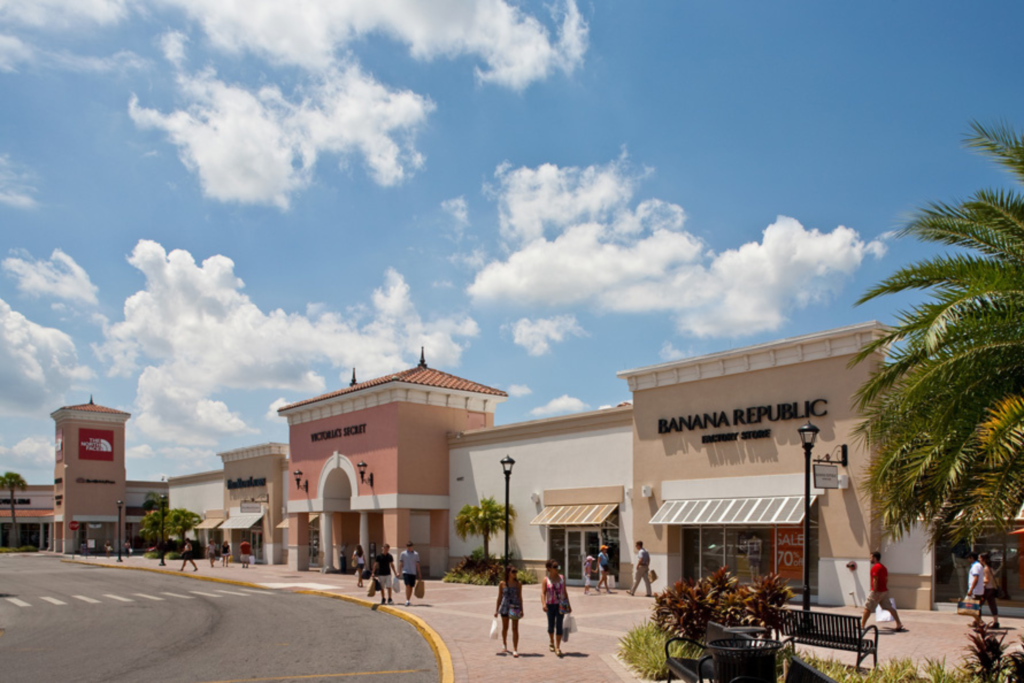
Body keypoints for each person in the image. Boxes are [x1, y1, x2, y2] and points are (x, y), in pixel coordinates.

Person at [861, 551, 905, 631]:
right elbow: (886, 579)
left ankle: (862, 625)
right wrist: (883, 588)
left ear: (875, 558)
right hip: (884, 591)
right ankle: (899, 623)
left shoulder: (875, 567)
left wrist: (875, 592)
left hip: (877, 591)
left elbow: (875, 580)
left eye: (871, 557)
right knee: (889, 607)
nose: (870, 559)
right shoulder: (884, 568)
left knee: (867, 607)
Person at [541, 558, 571, 657]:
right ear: (549, 568)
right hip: (550, 605)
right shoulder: (546, 580)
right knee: (551, 626)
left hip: (561, 605)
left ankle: (557, 647)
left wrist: (569, 605)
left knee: (559, 625)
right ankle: (551, 641)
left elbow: (565, 592)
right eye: (554, 567)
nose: (557, 568)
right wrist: (544, 604)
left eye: (557, 566)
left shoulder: (562, 578)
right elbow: (543, 593)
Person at [494, 566, 524, 657]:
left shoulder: (518, 584)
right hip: (505, 607)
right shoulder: (502, 584)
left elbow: (520, 597)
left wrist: (522, 609)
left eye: (516, 571)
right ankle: (504, 644)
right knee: (505, 627)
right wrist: (496, 610)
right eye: (513, 571)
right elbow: (499, 597)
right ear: (508, 573)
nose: (515, 573)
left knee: (515, 628)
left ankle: (515, 649)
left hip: (515, 607)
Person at [981, 552, 1001, 629]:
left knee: (978, 605)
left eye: (980, 558)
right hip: (992, 588)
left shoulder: (986, 568)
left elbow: (987, 580)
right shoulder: (991, 568)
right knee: (993, 605)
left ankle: (979, 622)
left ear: (984, 559)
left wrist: (980, 582)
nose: (979, 560)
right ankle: (996, 622)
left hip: (986, 589)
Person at [967, 551, 987, 627]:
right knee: (977, 607)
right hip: (978, 590)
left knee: (973, 608)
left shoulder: (976, 566)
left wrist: (971, 589)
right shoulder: (979, 566)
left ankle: (980, 622)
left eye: (969, 558)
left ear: (971, 558)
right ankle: (976, 622)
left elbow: (976, 578)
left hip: (976, 591)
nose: (968, 560)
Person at [399, 541, 421, 606]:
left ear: (412, 546)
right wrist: (399, 572)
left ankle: (408, 599)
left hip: (413, 572)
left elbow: (417, 564)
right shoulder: (403, 554)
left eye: (410, 546)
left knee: (411, 586)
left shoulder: (416, 554)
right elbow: (401, 563)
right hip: (406, 571)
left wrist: (419, 573)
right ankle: (407, 600)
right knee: (407, 585)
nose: (409, 547)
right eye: (408, 546)